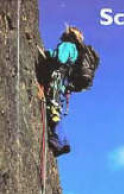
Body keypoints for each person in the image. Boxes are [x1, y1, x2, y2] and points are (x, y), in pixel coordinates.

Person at [44, 26, 84, 157]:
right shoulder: (76, 52)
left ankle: (58, 140)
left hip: (57, 81)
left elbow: (60, 59)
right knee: (56, 109)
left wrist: (49, 53)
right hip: (63, 85)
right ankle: (63, 141)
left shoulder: (67, 45)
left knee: (54, 110)